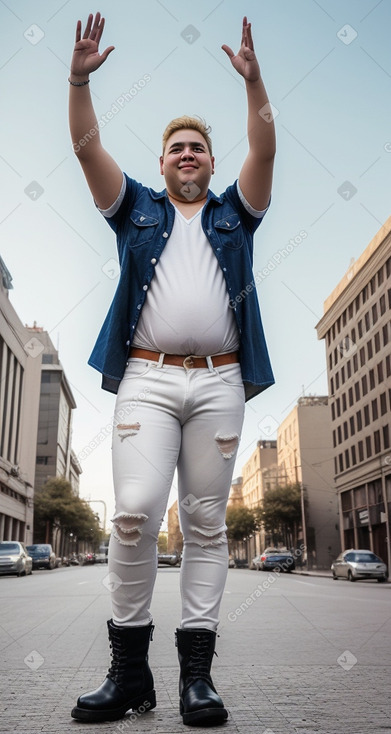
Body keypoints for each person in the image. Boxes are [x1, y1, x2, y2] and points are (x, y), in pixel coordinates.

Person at [68, 12, 275, 726]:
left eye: (197, 148)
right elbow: (85, 146)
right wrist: (78, 81)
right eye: (175, 148)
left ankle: (196, 680)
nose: (186, 155)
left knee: (206, 524)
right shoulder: (135, 212)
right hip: (146, 380)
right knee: (131, 516)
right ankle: (128, 676)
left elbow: (265, 148)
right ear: (160, 164)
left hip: (219, 382)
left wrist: (254, 85)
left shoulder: (235, 216)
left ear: (211, 164)